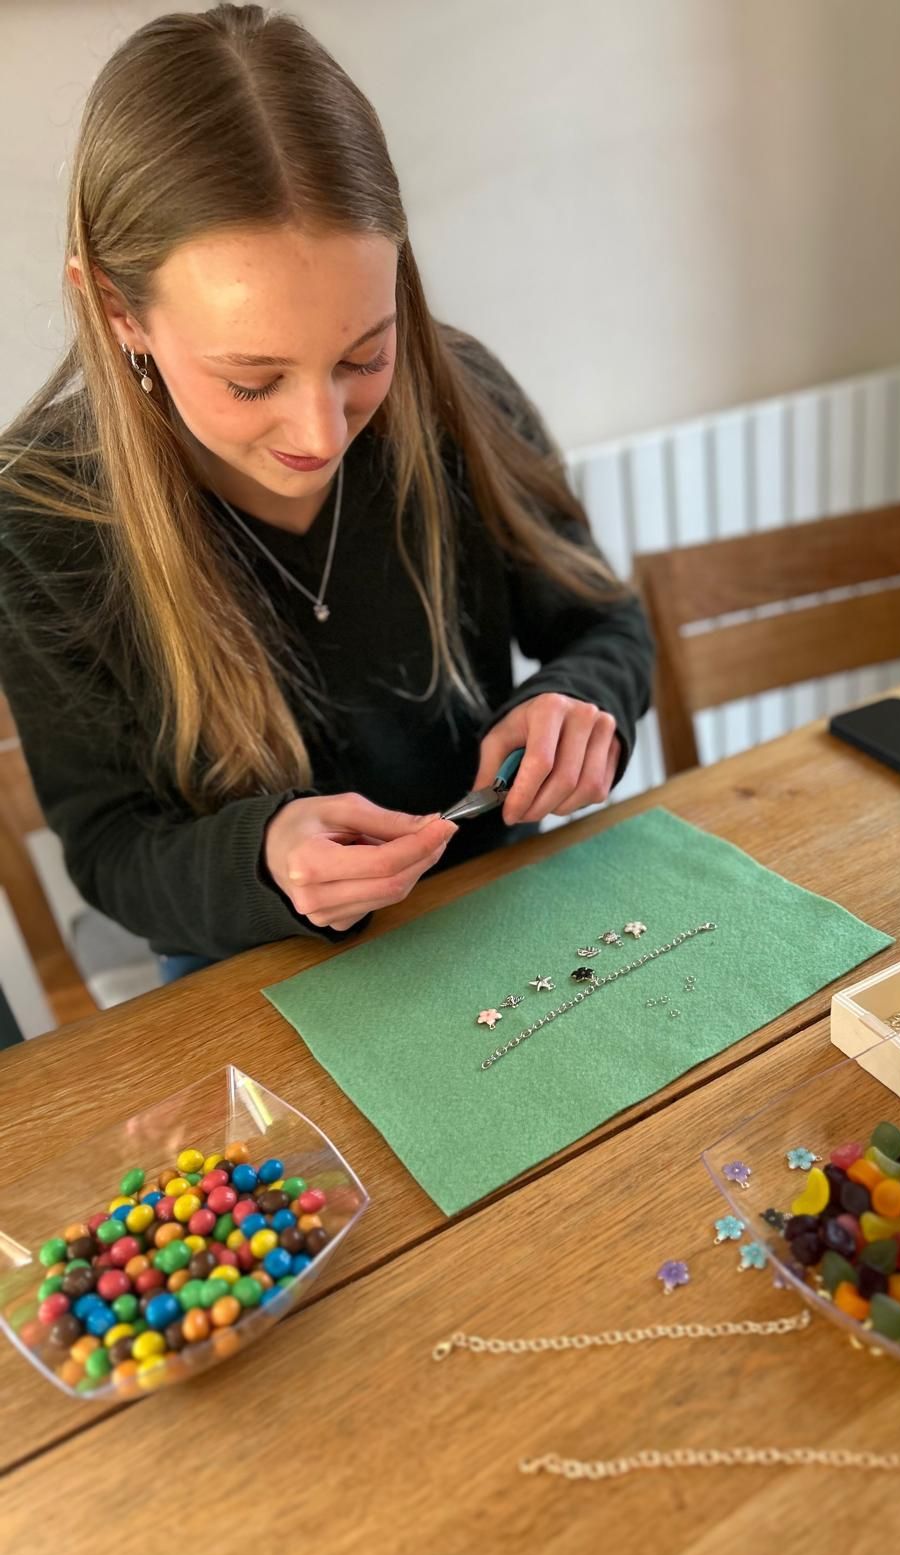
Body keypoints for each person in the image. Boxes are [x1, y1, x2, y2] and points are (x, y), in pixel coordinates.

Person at [0, 5, 653, 982]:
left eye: (364, 354)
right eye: (250, 380)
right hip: (247, 965)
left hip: (492, 907)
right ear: (116, 309)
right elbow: (110, 848)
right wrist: (262, 860)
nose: (319, 434)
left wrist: (579, 700)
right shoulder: (41, 519)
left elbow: (607, 627)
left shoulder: (460, 397)